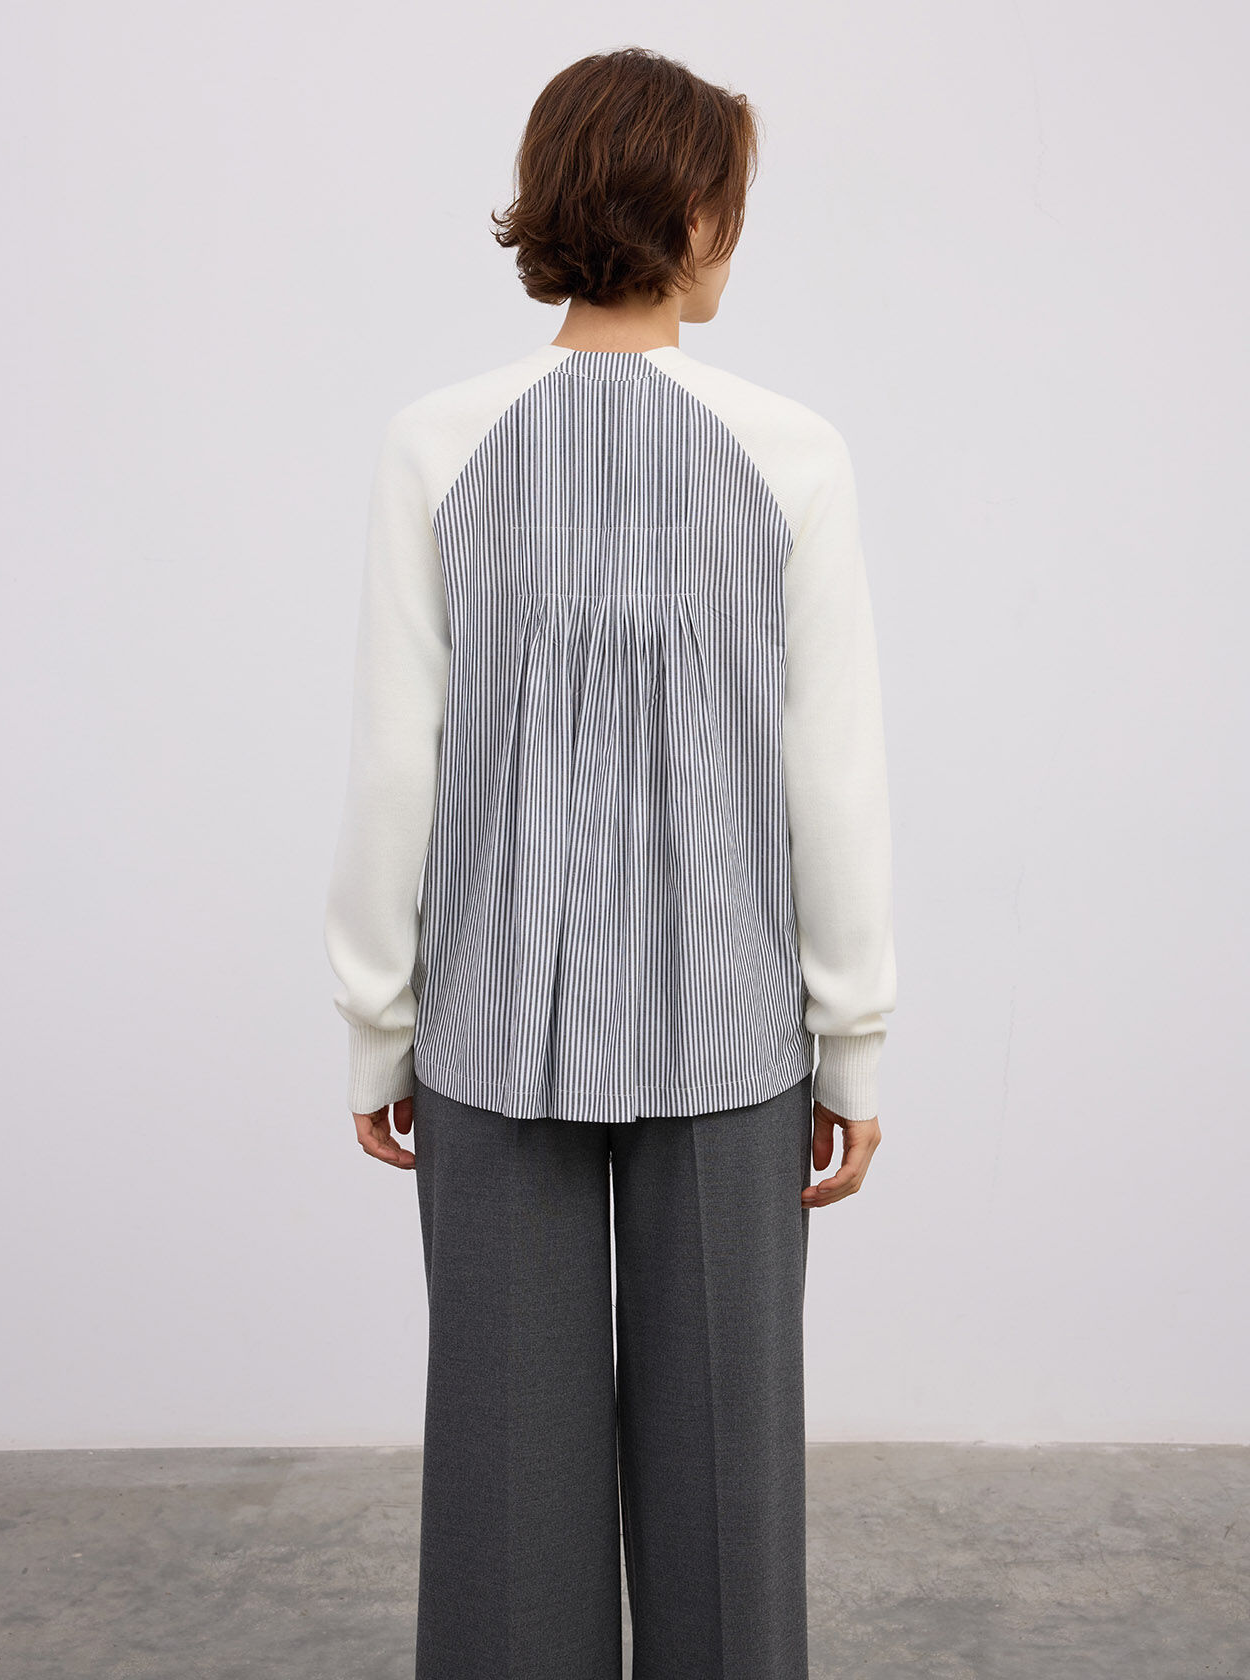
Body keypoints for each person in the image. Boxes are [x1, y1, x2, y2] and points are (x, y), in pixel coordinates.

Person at [323, 44, 897, 1680]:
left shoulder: (436, 443)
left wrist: (376, 1025)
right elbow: (832, 778)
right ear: (697, 214)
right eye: (736, 207)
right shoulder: (793, 452)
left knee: (506, 1502)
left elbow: (395, 765)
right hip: (734, 1038)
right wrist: (853, 1041)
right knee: (730, 1494)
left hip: (491, 1035)